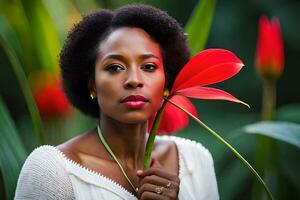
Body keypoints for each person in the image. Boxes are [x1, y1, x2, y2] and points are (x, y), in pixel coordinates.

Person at [14, 4, 219, 200]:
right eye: (115, 67)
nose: (134, 80)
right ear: (92, 84)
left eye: (148, 67)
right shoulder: (52, 170)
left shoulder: (195, 161)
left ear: (167, 80)